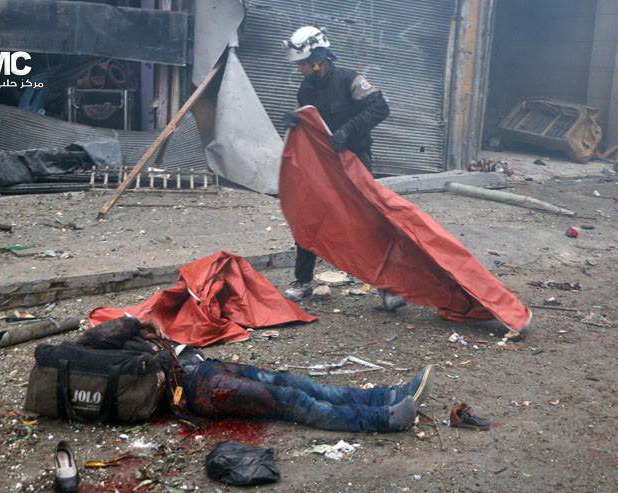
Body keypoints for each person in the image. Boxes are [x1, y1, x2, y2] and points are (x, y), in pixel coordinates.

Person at [280, 26, 405, 311]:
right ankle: (303, 281)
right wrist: (295, 121)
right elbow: (313, 123)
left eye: (302, 63)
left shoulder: (350, 80)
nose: (299, 69)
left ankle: (389, 289)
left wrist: (347, 132)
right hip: (324, 163)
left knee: (368, 220)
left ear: (318, 59)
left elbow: (380, 108)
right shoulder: (307, 88)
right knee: (309, 216)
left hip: (355, 158)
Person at [178, 345, 435, 433]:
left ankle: (387, 396)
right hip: (203, 390)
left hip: (208, 370)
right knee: (292, 400)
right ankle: (384, 418)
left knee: (302, 385)